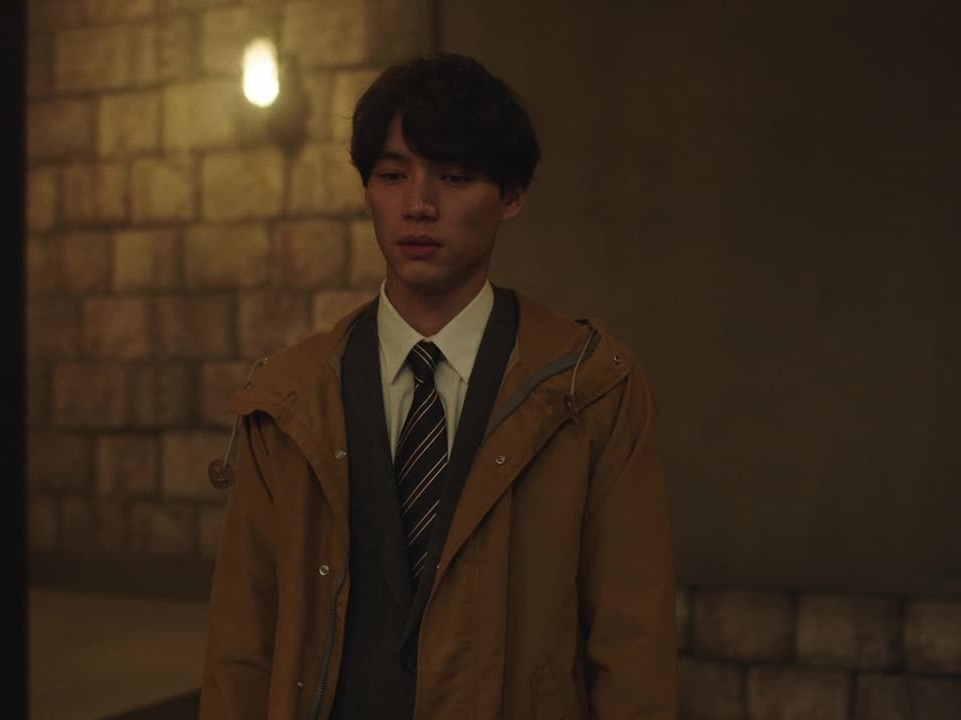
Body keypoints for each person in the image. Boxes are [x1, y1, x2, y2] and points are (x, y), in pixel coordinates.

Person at [201, 52, 677, 720]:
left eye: (454, 178)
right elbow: (241, 646)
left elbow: (633, 646)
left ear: (511, 196)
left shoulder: (589, 388)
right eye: (392, 176)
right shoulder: (288, 398)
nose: (418, 206)